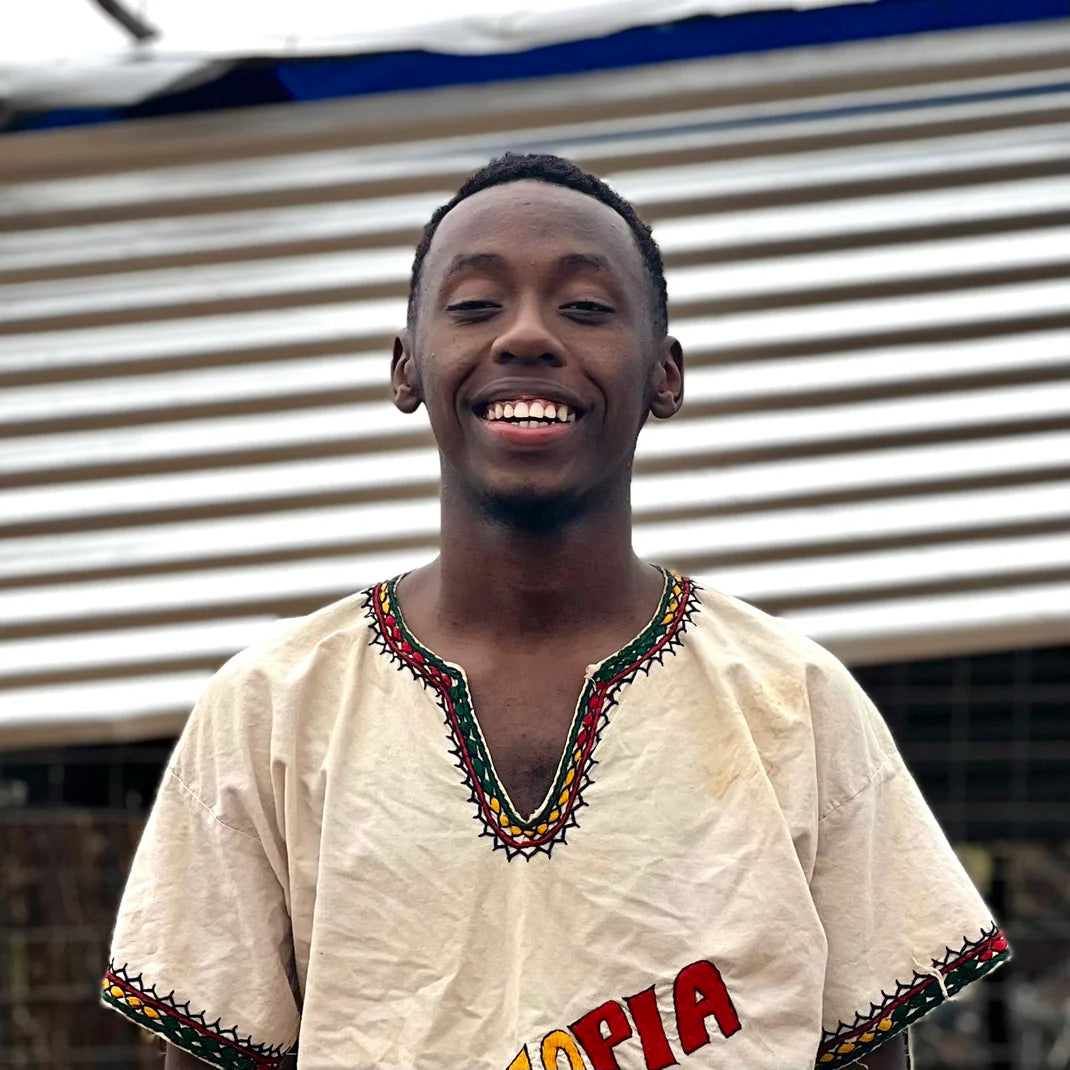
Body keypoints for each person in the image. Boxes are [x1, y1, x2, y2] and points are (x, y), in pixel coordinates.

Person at [100, 153, 1009, 1070]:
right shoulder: (271, 710)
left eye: (585, 307)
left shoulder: (794, 702)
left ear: (664, 375)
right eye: (475, 305)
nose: (527, 336)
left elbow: (868, 1051)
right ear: (406, 366)